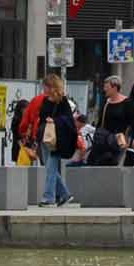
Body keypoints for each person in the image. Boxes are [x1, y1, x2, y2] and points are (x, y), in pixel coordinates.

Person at [36, 73, 77, 206]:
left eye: (45, 86)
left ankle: (48, 198)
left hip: (57, 140)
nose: (43, 89)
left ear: (52, 86)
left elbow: (69, 121)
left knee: (50, 168)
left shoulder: (62, 101)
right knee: (49, 167)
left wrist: (55, 120)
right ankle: (65, 194)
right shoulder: (45, 100)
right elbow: (41, 118)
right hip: (45, 137)